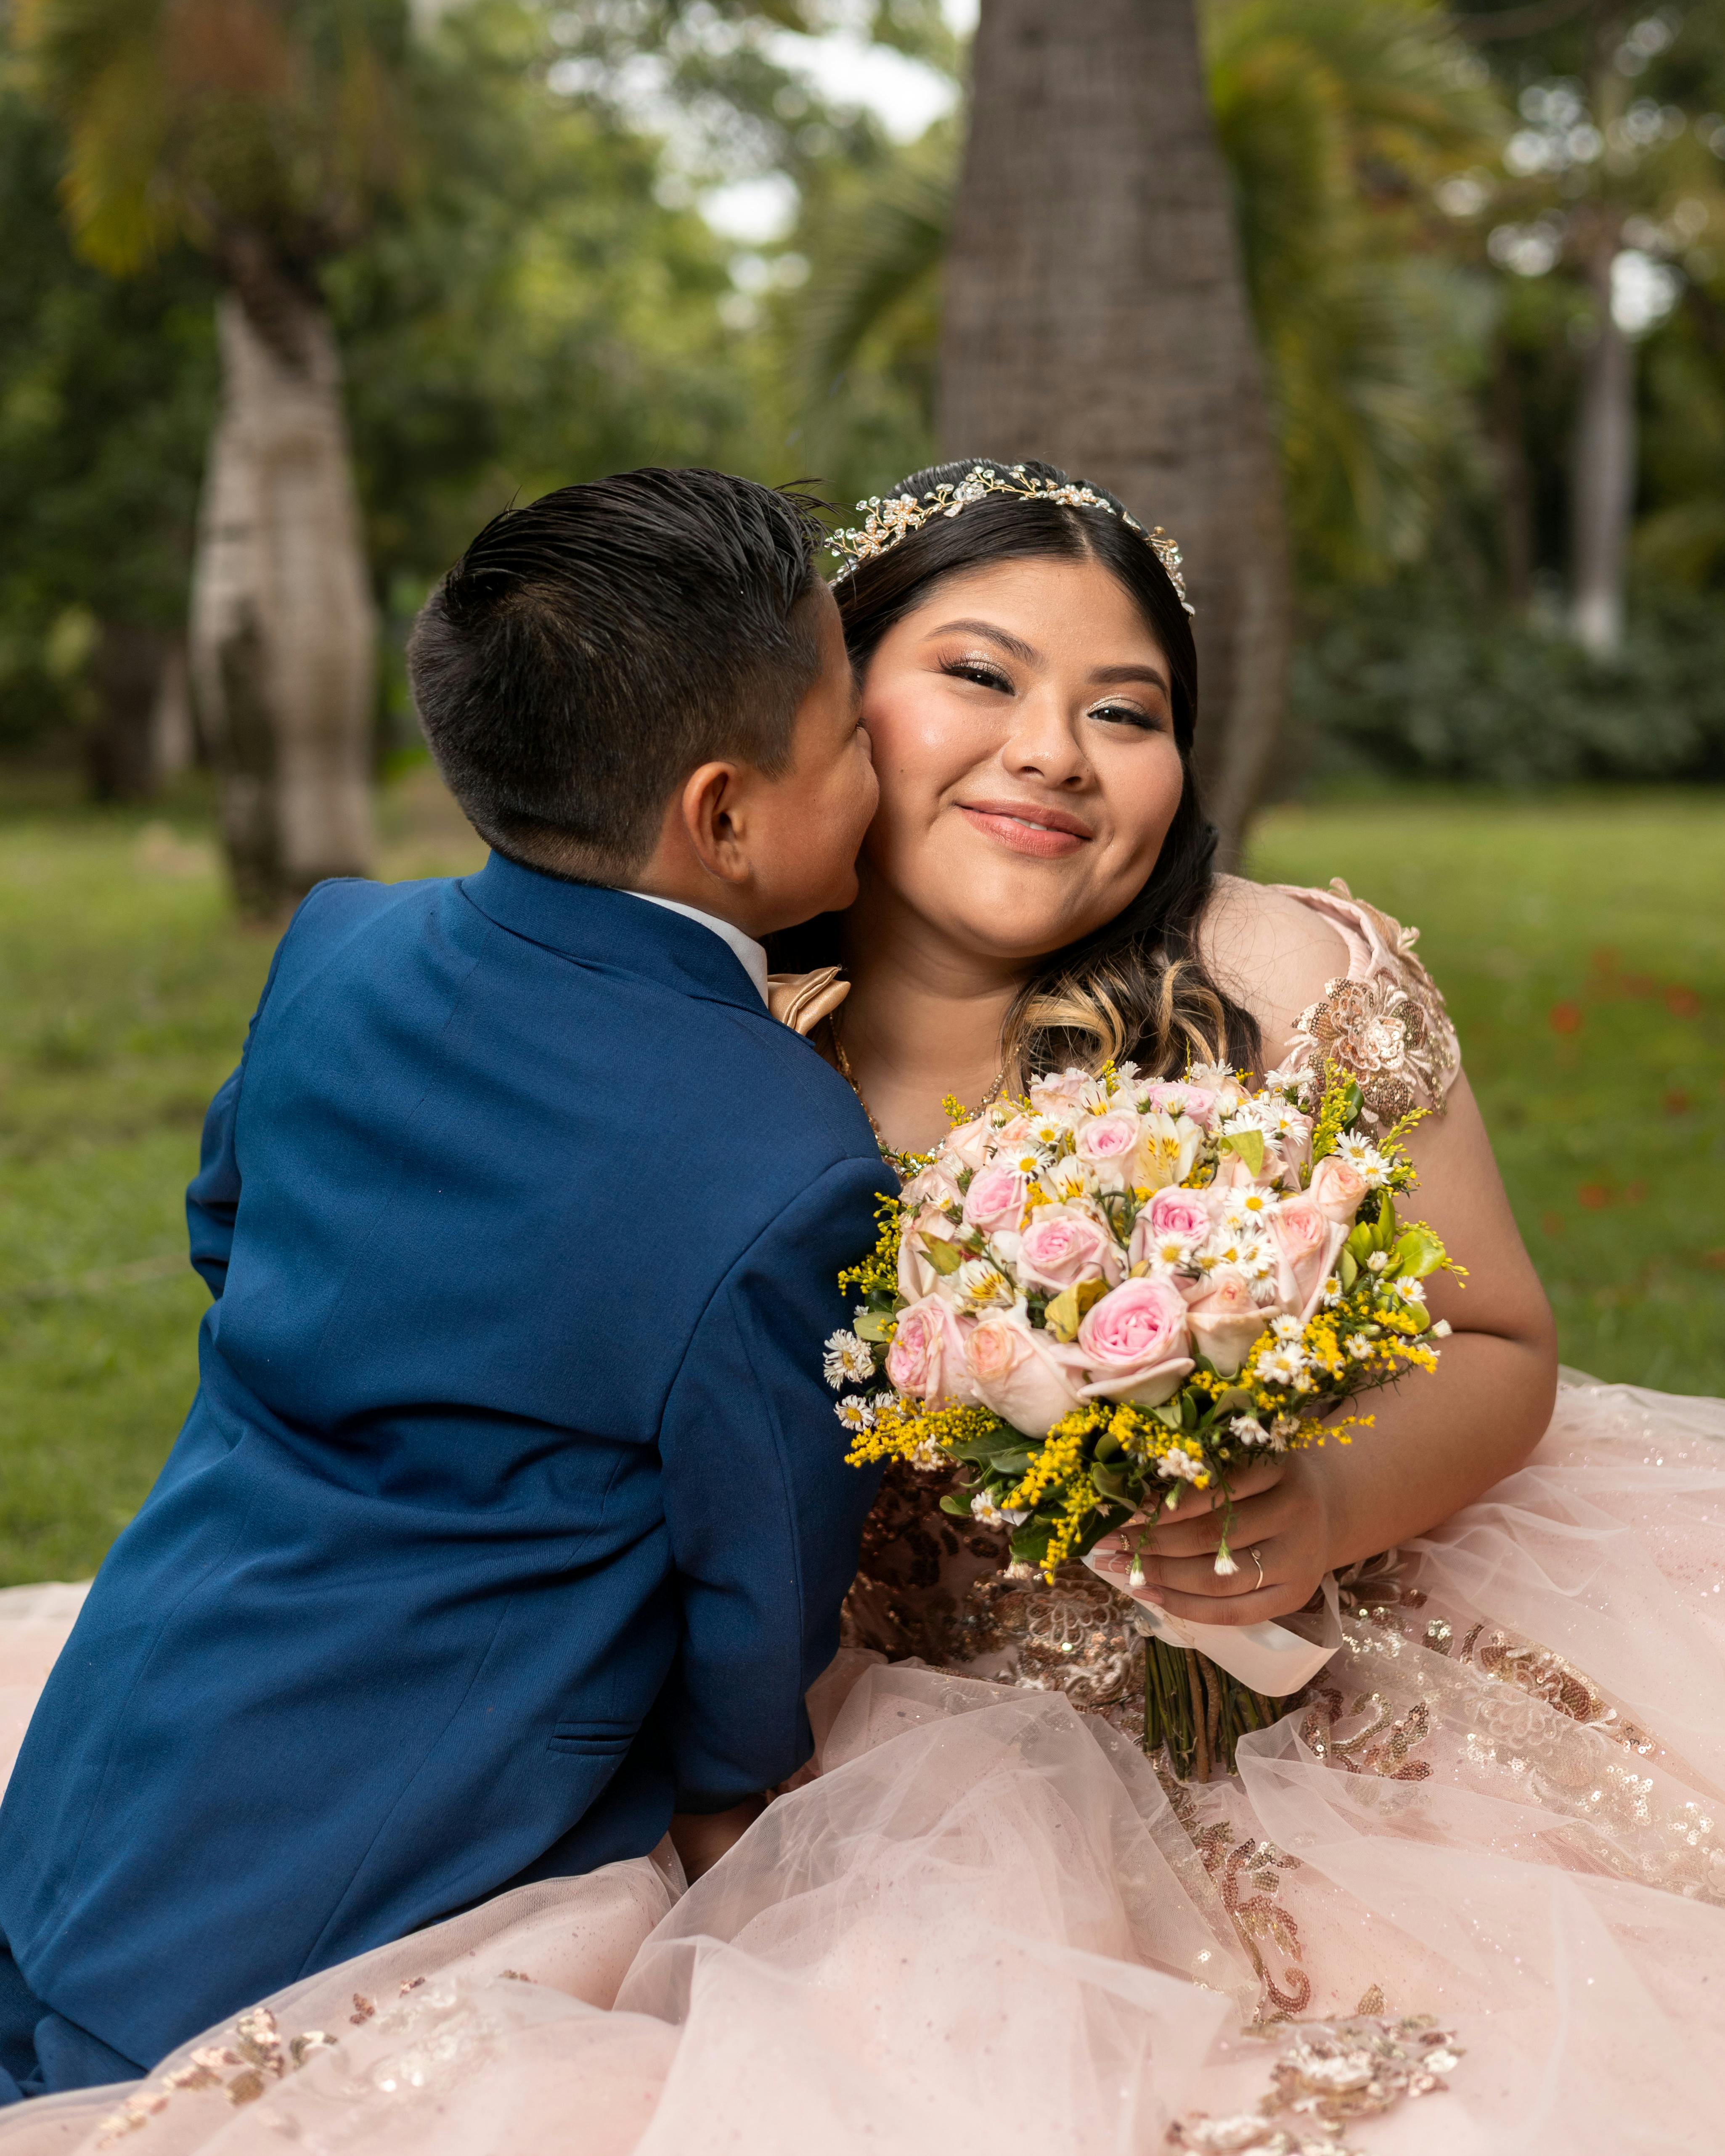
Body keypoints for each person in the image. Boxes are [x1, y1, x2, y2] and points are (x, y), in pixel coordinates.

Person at [3, 459, 1724, 2154]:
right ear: (808, 717)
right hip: (878, 1751)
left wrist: (1326, 1494)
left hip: (1307, 1714)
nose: (1054, 746)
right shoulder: (747, 1080)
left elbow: (1503, 1342)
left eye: (1129, 710)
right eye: (977, 675)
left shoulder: (1272, 983)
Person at [0, 469, 885, 2100]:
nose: (884, 768)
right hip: (396, 1809)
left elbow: (229, 1217)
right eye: (854, 739)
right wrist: (729, 1784)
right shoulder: (787, 1154)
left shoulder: (341, 945)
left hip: (145, 1700)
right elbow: (760, 1556)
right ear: (726, 814)